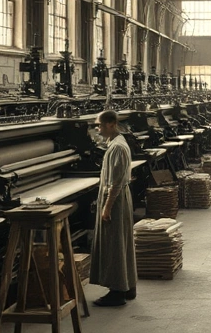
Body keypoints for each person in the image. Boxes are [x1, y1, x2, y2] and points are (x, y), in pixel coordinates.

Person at [90, 110, 138, 306]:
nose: (97, 129)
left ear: (110, 124)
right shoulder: (116, 144)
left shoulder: (117, 148)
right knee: (122, 242)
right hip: (117, 198)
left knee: (114, 244)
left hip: (115, 200)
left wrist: (107, 207)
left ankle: (117, 292)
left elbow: (116, 182)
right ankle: (128, 287)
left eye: (99, 125)